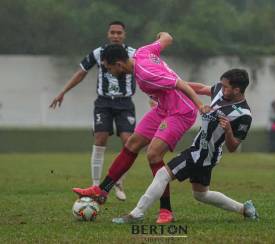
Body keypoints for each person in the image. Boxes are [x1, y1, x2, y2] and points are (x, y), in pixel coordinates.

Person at [72, 32, 211, 224]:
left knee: (153, 154)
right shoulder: (143, 52)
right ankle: (102, 190)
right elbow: (168, 38)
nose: (109, 72)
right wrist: (161, 35)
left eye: (108, 68)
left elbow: (179, 84)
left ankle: (166, 210)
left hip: (180, 111)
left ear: (119, 65)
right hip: (164, 107)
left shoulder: (145, 75)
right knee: (132, 143)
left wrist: (200, 104)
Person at [111, 69, 259, 224]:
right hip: (204, 153)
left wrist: (228, 130)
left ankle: (136, 214)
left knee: (162, 174)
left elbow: (234, 146)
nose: (221, 89)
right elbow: (199, 88)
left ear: (237, 90)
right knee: (201, 194)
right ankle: (245, 209)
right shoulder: (220, 91)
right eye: (221, 85)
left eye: (225, 87)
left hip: (201, 154)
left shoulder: (243, 115)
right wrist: (168, 88)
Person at [49, 21, 135, 201]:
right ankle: (96, 185)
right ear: (107, 34)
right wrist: (63, 91)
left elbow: (144, 73)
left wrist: (153, 97)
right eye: (113, 32)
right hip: (103, 103)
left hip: (125, 103)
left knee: (129, 141)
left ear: (124, 35)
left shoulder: (133, 54)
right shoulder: (98, 53)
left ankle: (119, 181)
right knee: (100, 137)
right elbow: (81, 73)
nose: (116, 36)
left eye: (119, 33)